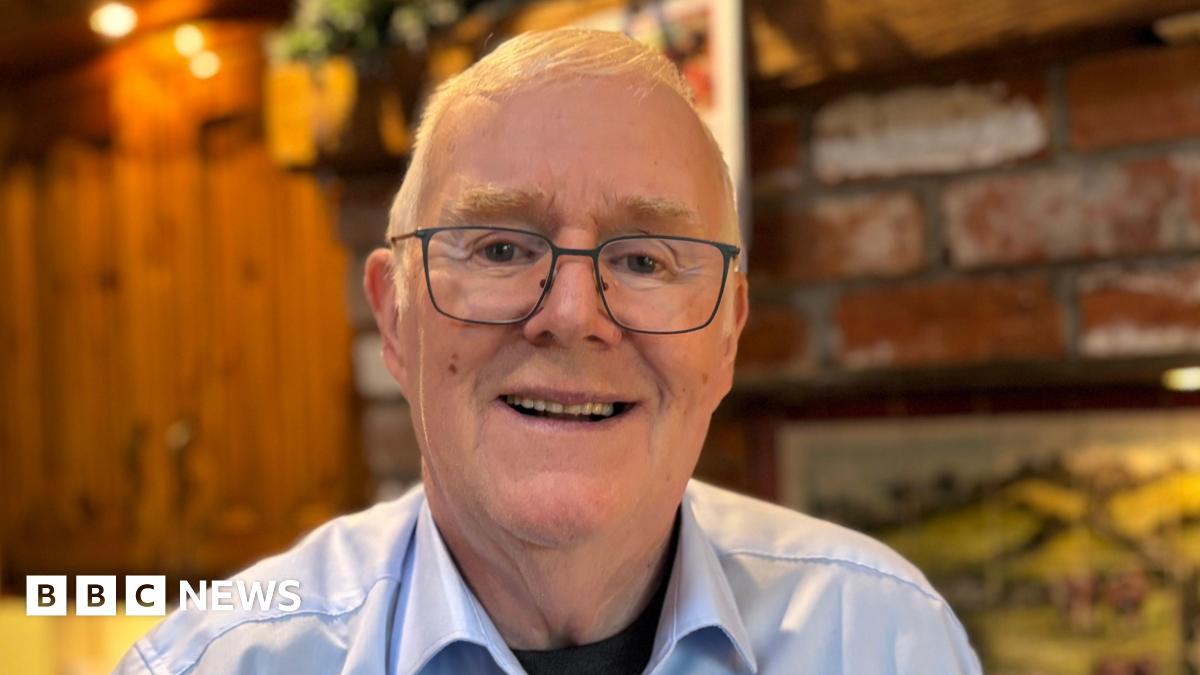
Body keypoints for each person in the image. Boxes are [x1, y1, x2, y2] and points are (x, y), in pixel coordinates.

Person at [117, 28, 981, 674]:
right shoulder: (215, 661)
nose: (572, 315)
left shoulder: (883, 636)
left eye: (643, 259)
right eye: (500, 248)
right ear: (394, 317)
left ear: (727, 334)